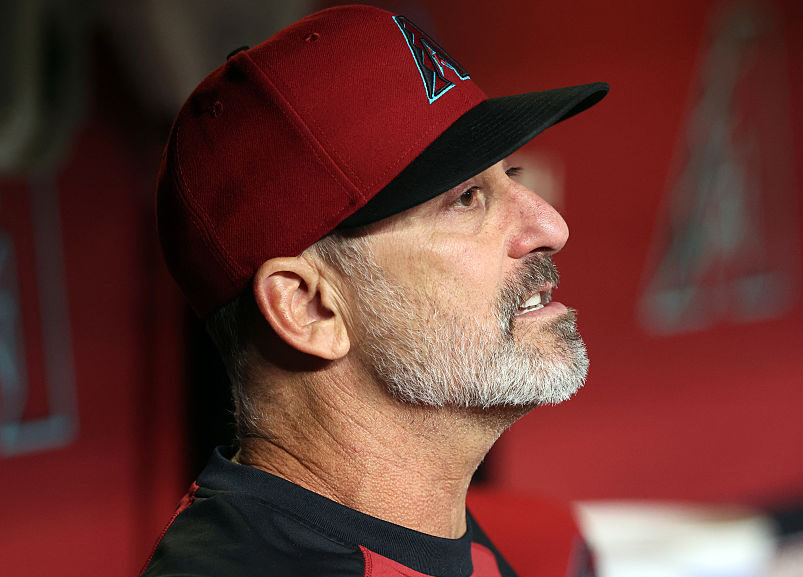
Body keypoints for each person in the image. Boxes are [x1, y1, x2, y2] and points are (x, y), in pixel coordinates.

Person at [142, 5, 607, 577]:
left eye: (510, 175)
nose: (552, 226)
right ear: (308, 308)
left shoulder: (433, 532)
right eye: (465, 198)